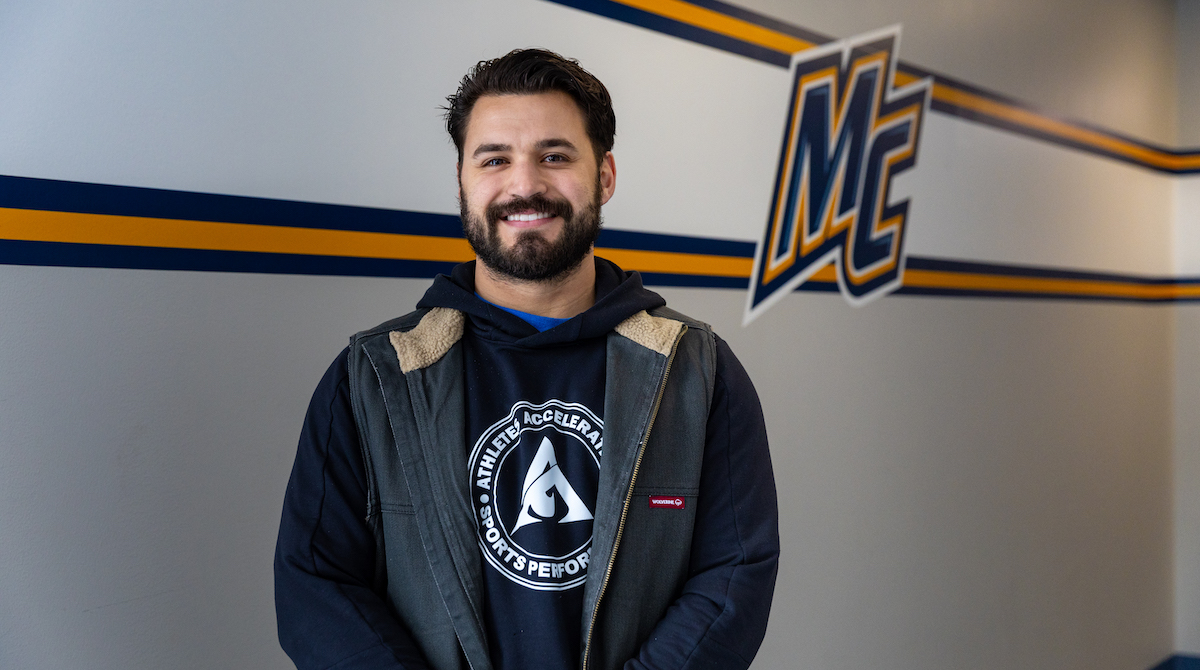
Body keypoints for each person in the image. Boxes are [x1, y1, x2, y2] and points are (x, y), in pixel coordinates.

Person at [274, 48, 779, 670]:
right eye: (495, 159)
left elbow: (734, 578)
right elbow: (317, 586)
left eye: (555, 156)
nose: (524, 185)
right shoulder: (375, 377)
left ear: (605, 175)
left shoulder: (696, 371)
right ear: (462, 180)